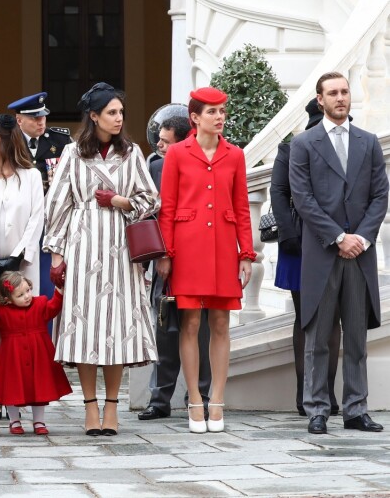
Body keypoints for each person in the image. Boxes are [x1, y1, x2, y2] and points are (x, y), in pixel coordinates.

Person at [44, 82, 159, 437]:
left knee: (117, 329)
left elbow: (151, 200)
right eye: (111, 112)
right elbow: (57, 205)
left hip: (122, 249)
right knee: (85, 328)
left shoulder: (133, 153)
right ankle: (89, 407)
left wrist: (121, 202)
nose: (119, 118)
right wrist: (57, 256)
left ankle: (112, 407)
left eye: (121, 112)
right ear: (93, 117)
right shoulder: (72, 154)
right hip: (83, 245)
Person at [290, 71, 388, 435]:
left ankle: (356, 409)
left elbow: (380, 194)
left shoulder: (368, 141)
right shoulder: (304, 144)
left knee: (357, 337)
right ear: (320, 100)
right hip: (322, 253)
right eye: (332, 93)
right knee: (317, 337)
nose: (340, 97)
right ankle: (317, 409)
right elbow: (302, 199)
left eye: (345, 91)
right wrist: (337, 237)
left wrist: (360, 237)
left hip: (359, 254)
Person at [157, 87, 256, 434]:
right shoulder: (178, 154)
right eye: (212, 112)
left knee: (221, 323)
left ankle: (217, 399)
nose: (219, 117)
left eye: (222, 111)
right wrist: (166, 255)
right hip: (187, 247)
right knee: (190, 323)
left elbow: (242, 207)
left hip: (224, 248)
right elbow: (167, 207)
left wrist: (246, 254)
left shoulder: (235, 155)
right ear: (195, 118)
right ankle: (194, 400)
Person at [139, 115, 213, 421]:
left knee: (202, 333)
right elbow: (149, 214)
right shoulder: (155, 167)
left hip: (200, 262)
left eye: (165, 142)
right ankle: (159, 399)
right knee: (164, 332)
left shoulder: (207, 167)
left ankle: (202, 397)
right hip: (165, 264)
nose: (158, 145)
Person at [271, 99, 341, 417]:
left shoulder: (348, 144)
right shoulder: (290, 149)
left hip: (338, 241)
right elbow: (278, 193)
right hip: (299, 244)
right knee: (307, 317)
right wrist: (291, 238)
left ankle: (326, 393)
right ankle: (306, 394)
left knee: (334, 319)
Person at [0, 113, 44, 421]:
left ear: (7, 139)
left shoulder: (30, 175)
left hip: (23, 266)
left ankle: (25, 395)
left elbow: (36, 218)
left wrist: (17, 257)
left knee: (21, 330)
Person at [0, 271, 72, 435]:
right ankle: (14, 421)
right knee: (11, 388)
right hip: (12, 357)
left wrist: (59, 290)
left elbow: (54, 307)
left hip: (39, 355)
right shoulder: (2, 312)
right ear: (8, 299)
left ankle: (39, 421)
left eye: (28, 291)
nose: (27, 296)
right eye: (20, 295)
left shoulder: (40, 304)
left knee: (39, 388)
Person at [12, 92, 71, 298]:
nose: (40, 122)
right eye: (34, 118)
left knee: (48, 282)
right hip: (21, 221)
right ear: (19, 120)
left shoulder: (60, 140)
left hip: (51, 219)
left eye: (43, 116)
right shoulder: (9, 142)